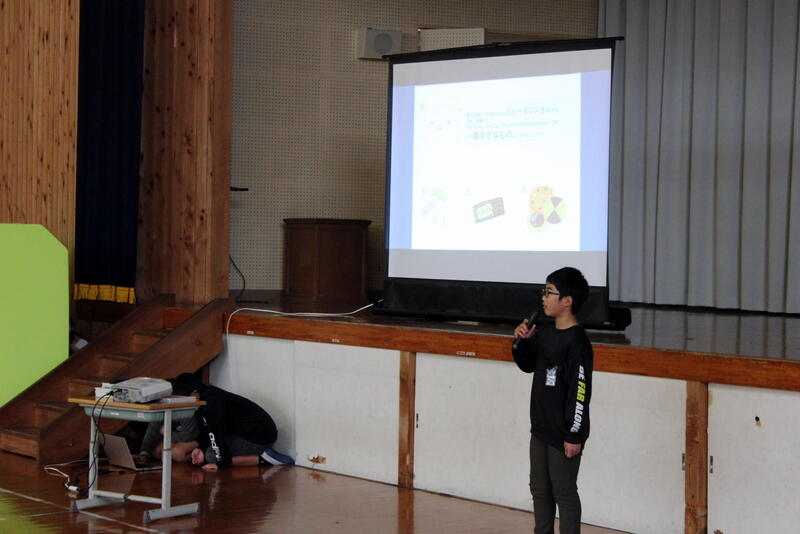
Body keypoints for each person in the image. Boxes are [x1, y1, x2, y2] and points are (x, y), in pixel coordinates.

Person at [511, 267, 593, 534]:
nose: (543, 298)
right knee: (539, 489)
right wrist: (522, 342)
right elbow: (527, 365)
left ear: (567, 300)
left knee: (564, 492)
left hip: (564, 432)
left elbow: (580, 391)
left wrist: (574, 434)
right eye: (544, 292)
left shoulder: (577, 341)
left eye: (549, 292)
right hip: (541, 427)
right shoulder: (545, 332)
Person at [169, 373, 294, 471]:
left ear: (194, 393)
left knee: (211, 455)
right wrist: (201, 447)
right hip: (246, 434)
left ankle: (264, 459)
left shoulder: (212, 402)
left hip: (259, 437)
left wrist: (221, 463)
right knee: (209, 452)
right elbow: (210, 432)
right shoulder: (205, 398)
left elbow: (216, 434)